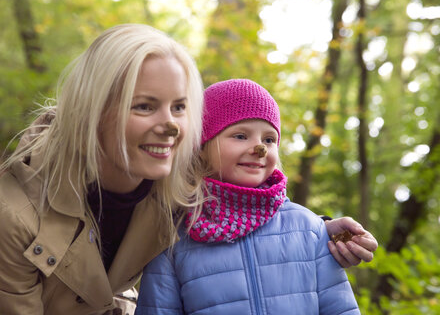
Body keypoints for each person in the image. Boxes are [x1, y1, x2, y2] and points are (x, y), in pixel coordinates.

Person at [0, 23, 205, 315]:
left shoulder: (181, 195)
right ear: (92, 112)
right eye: (145, 106)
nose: (171, 126)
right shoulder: (14, 216)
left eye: (179, 107)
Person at [136, 79, 362, 314]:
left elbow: (340, 308)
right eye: (241, 136)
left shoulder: (310, 229)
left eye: (268, 140)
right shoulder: (173, 237)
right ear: (201, 148)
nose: (259, 149)